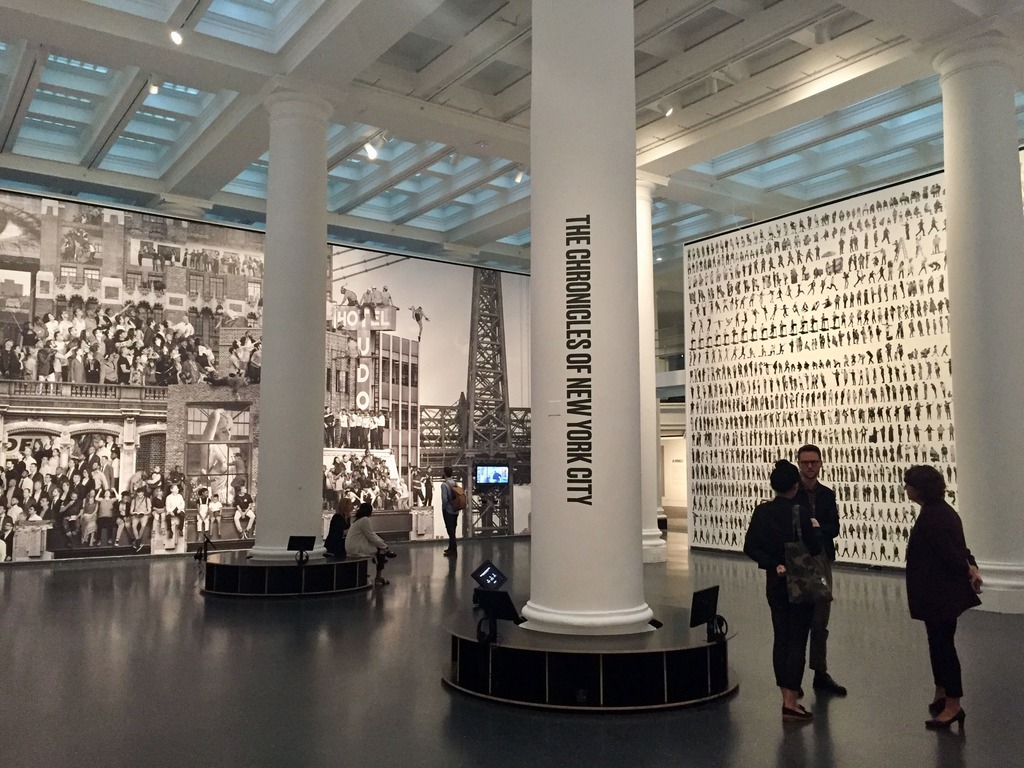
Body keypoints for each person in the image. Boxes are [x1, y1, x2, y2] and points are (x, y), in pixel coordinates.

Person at [903, 465, 982, 730]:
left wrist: (968, 568)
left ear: (919, 488)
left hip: (939, 594)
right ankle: (943, 695)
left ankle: (953, 705)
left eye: (908, 484)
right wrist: (970, 566)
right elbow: (960, 548)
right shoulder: (939, 512)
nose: (906, 489)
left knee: (944, 648)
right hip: (938, 594)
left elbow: (951, 553)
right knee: (938, 644)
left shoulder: (933, 517)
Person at [743, 459, 821, 722]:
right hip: (799, 581)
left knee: (781, 636)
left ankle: (784, 695)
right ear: (795, 484)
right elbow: (816, 547)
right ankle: (790, 701)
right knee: (798, 639)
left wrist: (773, 564)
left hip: (775, 582)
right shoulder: (801, 511)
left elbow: (750, 546)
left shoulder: (762, 512)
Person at [792, 444, 847, 696]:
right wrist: (816, 527)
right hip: (798, 561)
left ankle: (820, 672)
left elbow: (834, 528)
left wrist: (814, 528)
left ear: (821, 463)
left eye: (814, 462)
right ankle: (794, 677)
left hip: (822, 559)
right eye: (805, 462)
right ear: (799, 464)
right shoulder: (792, 495)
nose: (810, 466)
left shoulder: (826, 494)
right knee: (797, 619)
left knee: (821, 617)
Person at [345, 501, 395, 586]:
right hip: (357, 548)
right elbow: (371, 536)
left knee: (380, 548)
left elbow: (371, 534)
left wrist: (382, 543)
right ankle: (378, 578)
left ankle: (385, 553)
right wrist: (384, 545)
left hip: (352, 547)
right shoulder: (365, 520)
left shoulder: (357, 520)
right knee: (381, 551)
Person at [440, 465, 459, 557]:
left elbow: (444, 499)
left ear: (444, 473)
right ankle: (451, 547)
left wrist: (443, 509)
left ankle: (453, 549)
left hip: (448, 510)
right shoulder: (454, 483)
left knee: (450, 530)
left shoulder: (444, 485)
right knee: (453, 530)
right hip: (456, 510)